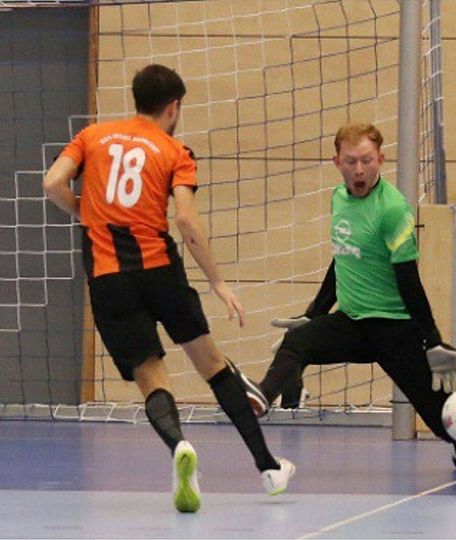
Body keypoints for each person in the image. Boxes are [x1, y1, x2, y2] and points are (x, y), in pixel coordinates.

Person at [42, 64, 295, 513]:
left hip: (108, 277)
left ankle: (179, 445)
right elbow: (185, 220)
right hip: (161, 270)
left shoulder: (92, 137)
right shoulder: (176, 151)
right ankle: (268, 468)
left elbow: (52, 183)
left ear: (136, 98)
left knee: (150, 374)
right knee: (212, 365)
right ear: (174, 107)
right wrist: (217, 281)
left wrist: (86, 212)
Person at [246, 122, 456, 470]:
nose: (359, 170)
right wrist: (314, 313)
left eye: (367, 161)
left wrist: (431, 339)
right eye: (351, 161)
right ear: (336, 162)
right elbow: (342, 257)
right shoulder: (338, 198)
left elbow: (409, 281)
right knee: (295, 342)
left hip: (395, 329)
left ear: (380, 160)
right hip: (352, 323)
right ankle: (262, 398)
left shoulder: (393, 210)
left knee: (443, 421)